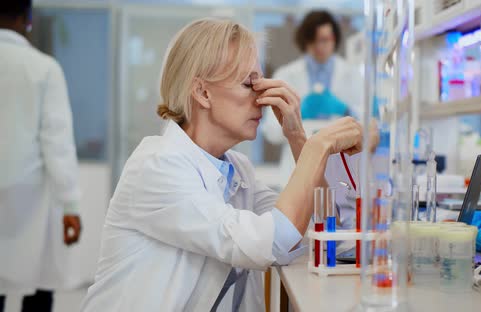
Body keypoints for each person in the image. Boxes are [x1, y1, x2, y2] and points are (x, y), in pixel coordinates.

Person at [80, 19, 364, 312]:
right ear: (202, 93)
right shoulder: (157, 167)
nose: (263, 99)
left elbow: (321, 237)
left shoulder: (236, 170)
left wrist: (297, 137)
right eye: (248, 84)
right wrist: (317, 148)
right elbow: (271, 242)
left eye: (261, 84)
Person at [0, 1, 82, 311]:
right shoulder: (44, 68)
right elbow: (57, 142)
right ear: (28, 19)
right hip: (31, 201)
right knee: (38, 283)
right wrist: (71, 205)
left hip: (29, 200)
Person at [261, 10, 364, 185]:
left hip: (340, 165)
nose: (320, 46)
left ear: (335, 39)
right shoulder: (286, 75)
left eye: (325, 40)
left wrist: (345, 109)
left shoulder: (352, 74)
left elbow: (368, 124)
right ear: (305, 41)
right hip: (296, 165)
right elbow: (270, 132)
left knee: (336, 208)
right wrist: (294, 115)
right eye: (314, 40)